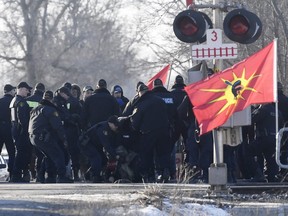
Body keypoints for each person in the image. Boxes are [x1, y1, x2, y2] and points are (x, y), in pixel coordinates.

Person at [29, 90, 73, 183]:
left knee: (48, 156)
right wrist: (63, 139)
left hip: (34, 138)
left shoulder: (35, 109)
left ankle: (45, 176)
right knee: (58, 154)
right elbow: (57, 126)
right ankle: (62, 176)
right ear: (52, 99)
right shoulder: (50, 110)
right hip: (44, 137)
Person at [130, 84, 171, 182]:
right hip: (164, 131)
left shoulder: (141, 104)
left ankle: (150, 175)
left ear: (140, 92)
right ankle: (164, 171)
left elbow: (135, 122)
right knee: (162, 153)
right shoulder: (160, 100)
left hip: (148, 133)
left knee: (147, 155)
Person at [79, 115, 121, 183]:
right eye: (115, 125)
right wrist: (115, 155)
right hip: (86, 144)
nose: (117, 127)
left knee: (104, 160)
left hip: (94, 144)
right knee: (96, 158)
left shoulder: (109, 129)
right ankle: (95, 176)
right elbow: (106, 144)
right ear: (110, 123)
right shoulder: (103, 128)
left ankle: (88, 174)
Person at [9, 81, 33, 182]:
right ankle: (17, 175)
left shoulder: (14, 100)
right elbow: (22, 119)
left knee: (20, 152)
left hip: (15, 129)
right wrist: (27, 130)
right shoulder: (21, 102)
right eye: (26, 90)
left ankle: (16, 174)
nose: (27, 92)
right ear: (22, 89)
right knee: (22, 154)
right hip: (21, 131)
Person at [26, 82, 46, 181]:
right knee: (40, 154)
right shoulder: (43, 101)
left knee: (28, 153)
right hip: (40, 131)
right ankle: (39, 174)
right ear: (43, 91)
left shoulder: (27, 100)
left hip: (27, 130)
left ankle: (29, 173)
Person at [0, 84, 16, 181]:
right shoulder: (13, 101)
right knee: (11, 151)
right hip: (10, 128)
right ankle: (12, 173)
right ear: (10, 91)